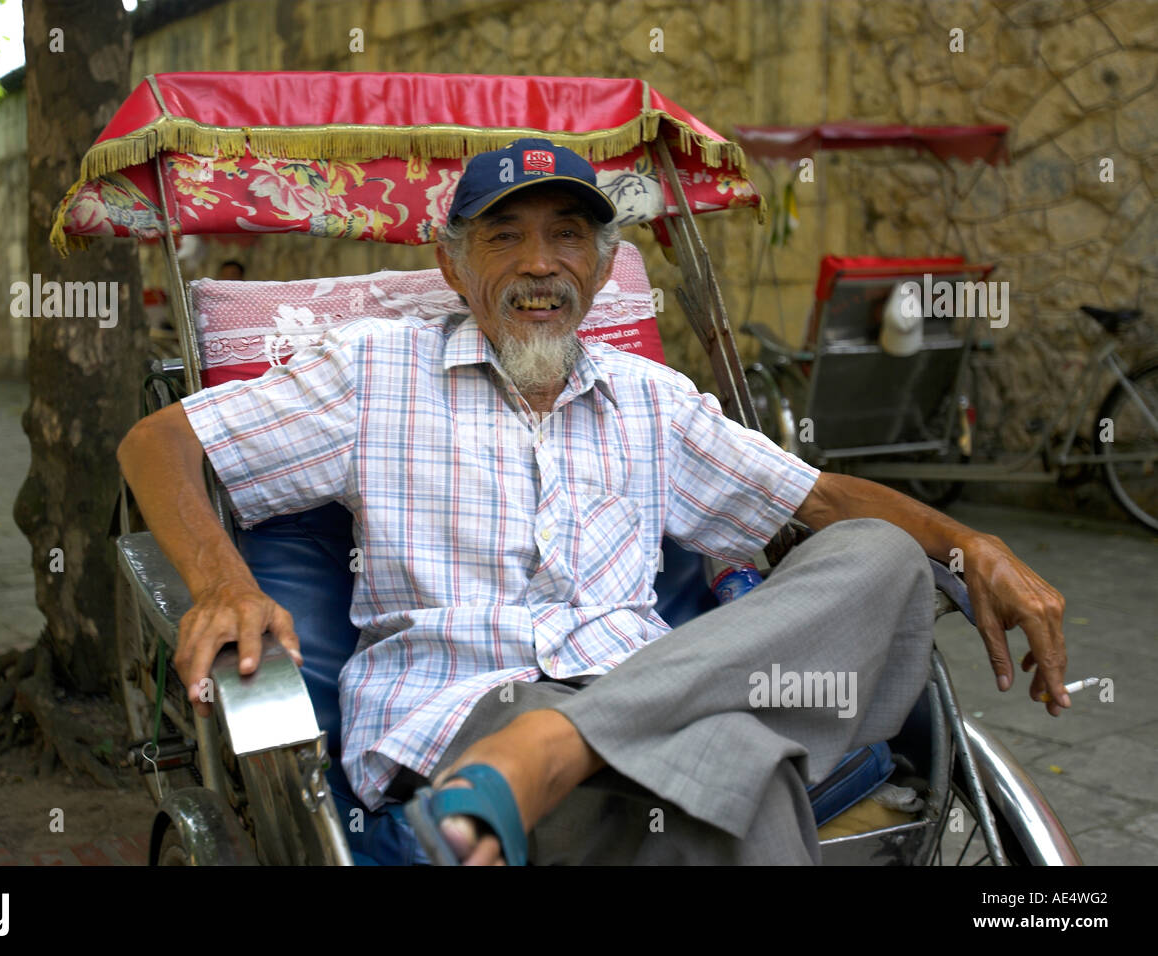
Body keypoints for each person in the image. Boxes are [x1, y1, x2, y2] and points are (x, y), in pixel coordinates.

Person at [116, 138, 1069, 866]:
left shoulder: (652, 400)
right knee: (744, 780)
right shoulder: (373, 371)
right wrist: (218, 581)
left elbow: (818, 500)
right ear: (453, 266)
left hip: (650, 704)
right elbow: (160, 443)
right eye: (506, 235)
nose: (540, 263)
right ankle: (551, 741)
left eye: (567, 235)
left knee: (883, 556)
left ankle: (563, 740)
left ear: (603, 265)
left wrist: (965, 544)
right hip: (462, 719)